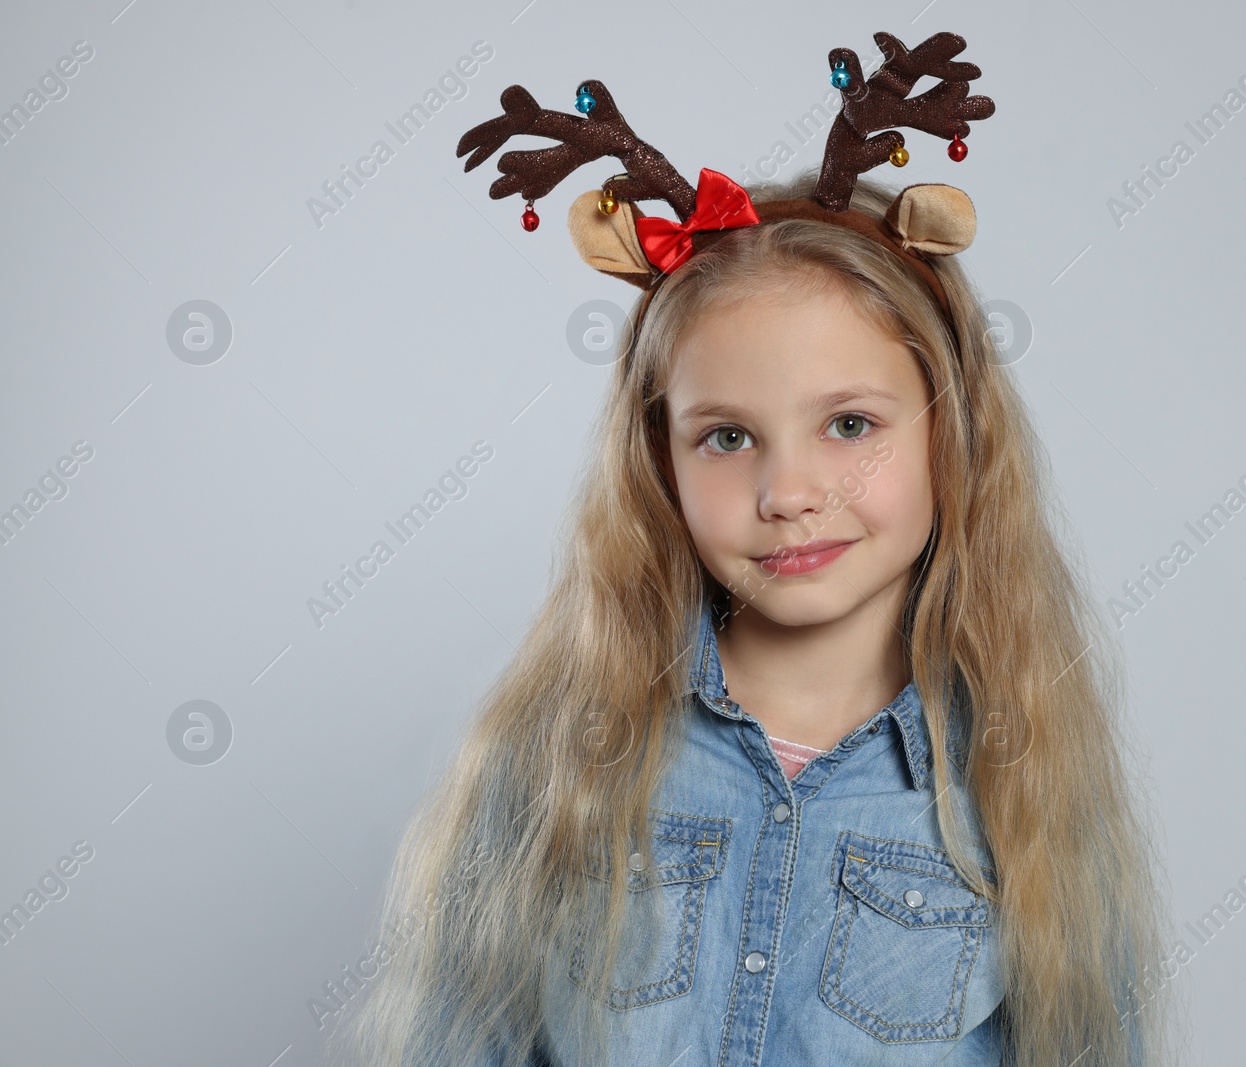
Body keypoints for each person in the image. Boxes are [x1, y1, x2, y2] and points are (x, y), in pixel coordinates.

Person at [328, 32, 1172, 1067]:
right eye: (728, 437)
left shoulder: (1018, 778)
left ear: (948, 429)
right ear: (660, 460)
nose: (788, 493)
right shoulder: (556, 759)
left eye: (850, 424)